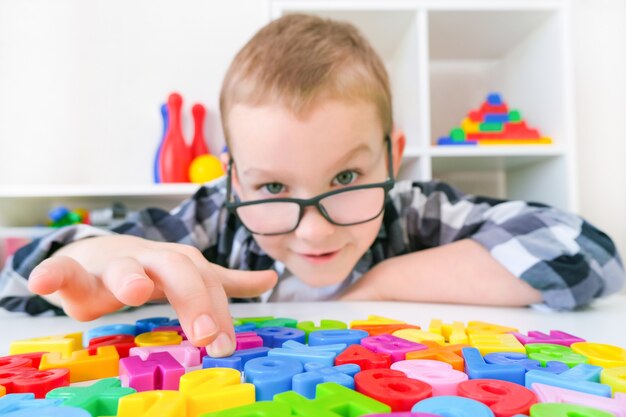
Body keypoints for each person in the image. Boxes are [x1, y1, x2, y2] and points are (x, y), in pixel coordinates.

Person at [0, 14, 623, 358]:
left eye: (348, 178)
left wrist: (377, 285)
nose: (315, 229)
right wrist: (92, 256)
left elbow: (584, 251)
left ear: (392, 157)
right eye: (272, 186)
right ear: (233, 176)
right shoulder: (215, 218)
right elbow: (19, 278)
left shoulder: (412, 210)